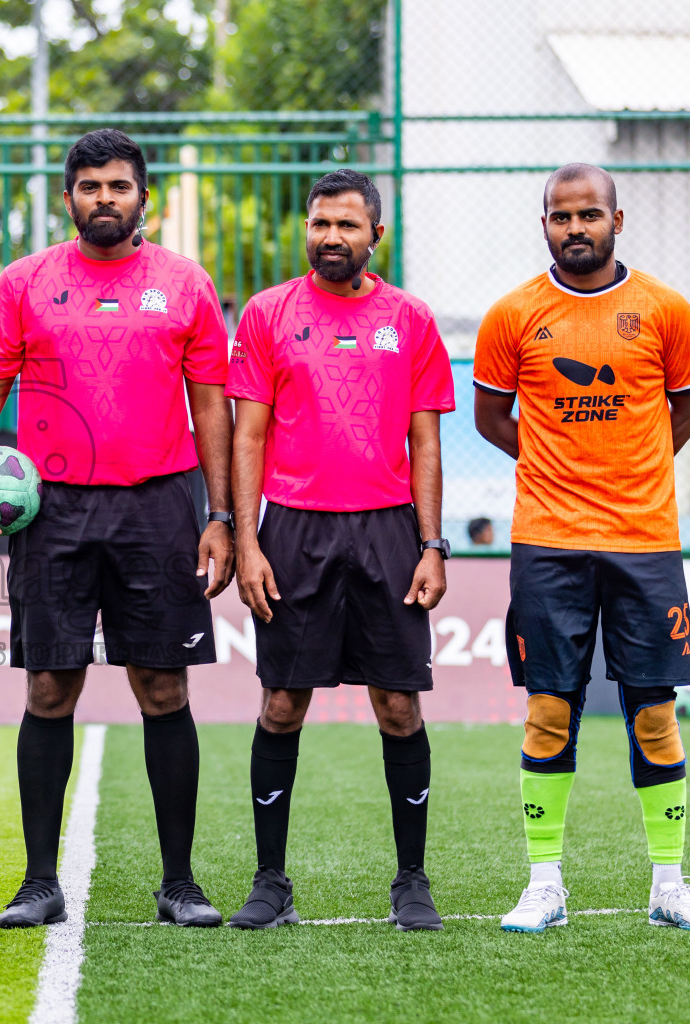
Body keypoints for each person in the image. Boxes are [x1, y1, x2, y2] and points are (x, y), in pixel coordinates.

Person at [0, 129, 235, 929]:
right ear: (68, 198)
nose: (106, 198)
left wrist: (223, 517)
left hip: (159, 506)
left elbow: (213, 411)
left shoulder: (186, 285)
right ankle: (39, 882)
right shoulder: (25, 284)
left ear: (145, 197)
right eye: (91, 186)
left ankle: (180, 883)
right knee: (48, 687)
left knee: (163, 688)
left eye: (120, 186)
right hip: (53, 510)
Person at [473, 163, 690, 933]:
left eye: (589, 215)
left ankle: (670, 886)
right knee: (551, 709)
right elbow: (490, 417)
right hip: (548, 541)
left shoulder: (664, 309)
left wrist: (632, 466)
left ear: (619, 218)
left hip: (645, 540)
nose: (575, 228)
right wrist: (558, 468)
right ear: (543, 223)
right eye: (560, 216)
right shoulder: (513, 314)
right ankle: (544, 885)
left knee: (654, 712)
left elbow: (689, 409)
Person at [225, 169, 456, 931]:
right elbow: (247, 433)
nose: (331, 238)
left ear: (375, 236)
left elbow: (426, 440)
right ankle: (270, 882)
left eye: (347, 226)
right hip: (294, 531)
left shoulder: (411, 320)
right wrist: (248, 540)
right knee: (282, 703)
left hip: (388, 529)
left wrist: (432, 544)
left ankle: (412, 881)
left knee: (397, 704)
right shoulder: (267, 314)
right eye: (321, 224)